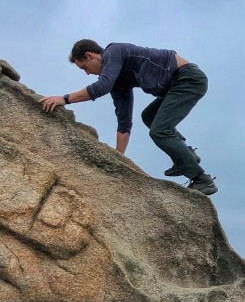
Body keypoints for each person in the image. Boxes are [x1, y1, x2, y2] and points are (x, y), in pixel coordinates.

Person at [41, 39, 217, 195]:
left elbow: (101, 87)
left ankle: (201, 179)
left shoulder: (115, 51)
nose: (87, 73)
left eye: (84, 67)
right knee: (148, 116)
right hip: (175, 86)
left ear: (91, 56)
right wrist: (118, 158)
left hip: (188, 78)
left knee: (159, 131)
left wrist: (64, 99)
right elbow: (124, 122)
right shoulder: (117, 82)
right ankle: (187, 157)